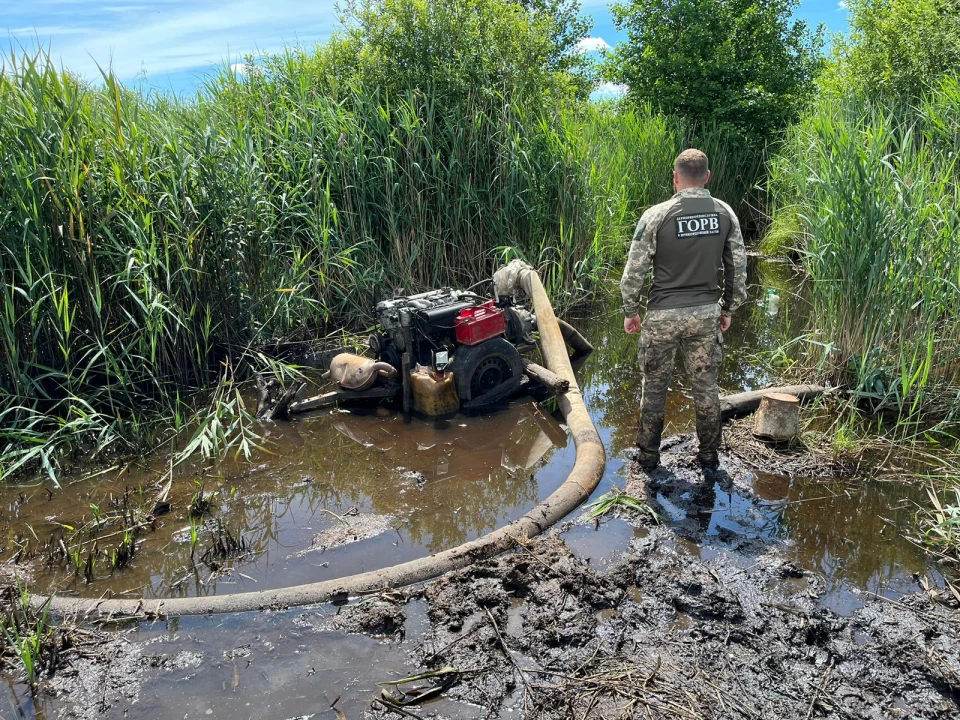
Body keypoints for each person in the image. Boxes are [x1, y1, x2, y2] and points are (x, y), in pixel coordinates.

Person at [620, 149, 747, 472]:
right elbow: (737, 266)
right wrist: (728, 308)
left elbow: (634, 270)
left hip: (662, 315)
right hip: (705, 315)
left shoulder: (657, 214)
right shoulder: (725, 213)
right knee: (706, 388)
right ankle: (708, 456)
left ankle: (648, 457)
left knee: (654, 388)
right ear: (707, 177)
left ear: (675, 178)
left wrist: (631, 310)